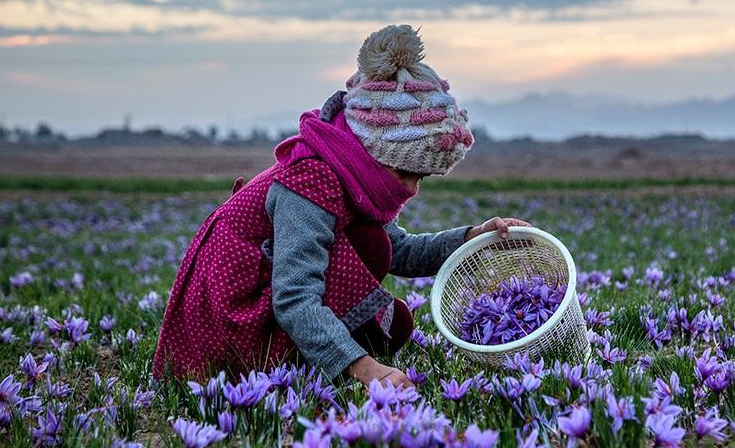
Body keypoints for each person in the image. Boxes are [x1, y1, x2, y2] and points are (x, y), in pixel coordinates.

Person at [152, 24, 528, 389]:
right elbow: (295, 296)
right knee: (371, 250)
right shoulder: (311, 182)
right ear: (379, 154)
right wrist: (364, 369)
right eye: (407, 174)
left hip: (269, 297)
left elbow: (399, 250)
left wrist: (473, 238)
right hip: (231, 318)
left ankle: (322, 355)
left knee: (392, 319)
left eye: (422, 178)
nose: (412, 189)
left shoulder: (352, 171)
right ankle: (296, 363)